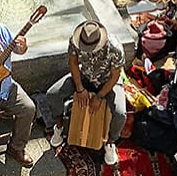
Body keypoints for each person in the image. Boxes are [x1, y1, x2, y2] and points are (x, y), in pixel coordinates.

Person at [47, 21, 126, 166]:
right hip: (85, 76)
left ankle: (110, 142)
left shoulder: (115, 48)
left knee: (121, 113)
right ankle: (59, 127)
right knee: (52, 94)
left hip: (107, 81)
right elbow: (73, 63)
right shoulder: (75, 41)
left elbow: (115, 76)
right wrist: (80, 88)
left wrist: (100, 96)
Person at [0, 24, 37, 167]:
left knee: (28, 108)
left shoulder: (2, 29)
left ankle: (16, 148)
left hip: (6, 87)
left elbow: (17, 49)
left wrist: (22, 47)